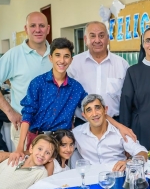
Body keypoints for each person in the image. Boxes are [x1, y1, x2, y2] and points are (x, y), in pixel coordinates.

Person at [8, 38, 87, 166]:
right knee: (35, 179)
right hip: (38, 140)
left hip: (61, 143)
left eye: (66, 56)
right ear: (50, 58)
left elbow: (92, 108)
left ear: (71, 60)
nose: (62, 60)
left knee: (59, 179)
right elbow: (27, 114)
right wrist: (19, 147)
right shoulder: (38, 83)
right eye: (57, 55)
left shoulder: (76, 88)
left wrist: (118, 126)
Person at [0, 12, 52, 148]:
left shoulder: (57, 54)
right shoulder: (13, 55)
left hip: (54, 129)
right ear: (26, 29)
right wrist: (10, 112)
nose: (38, 29)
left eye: (42, 25)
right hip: (25, 127)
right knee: (27, 168)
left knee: (58, 169)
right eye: (33, 25)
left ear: (48, 29)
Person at [68, 21, 129, 124]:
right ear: (86, 39)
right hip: (83, 124)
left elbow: (128, 100)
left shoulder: (122, 64)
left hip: (114, 124)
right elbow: (67, 98)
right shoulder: (73, 64)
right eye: (92, 36)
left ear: (108, 39)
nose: (97, 40)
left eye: (101, 36)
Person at [73, 94, 148, 172]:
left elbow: (143, 153)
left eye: (97, 108)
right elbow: (61, 146)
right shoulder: (77, 133)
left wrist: (130, 162)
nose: (94, 114)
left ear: (105, 110)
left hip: (117, 176)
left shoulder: (120, 132)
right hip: (90, 179)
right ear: (84, 115)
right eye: (89, 110)